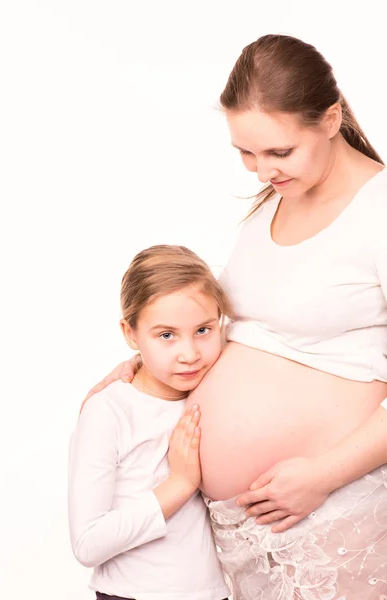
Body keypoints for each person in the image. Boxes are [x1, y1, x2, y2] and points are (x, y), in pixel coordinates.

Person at [80, 34, 387, 599]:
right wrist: (145, 367)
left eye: (278, 152)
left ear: (331, 118)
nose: (261, 170)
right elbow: (245, 324)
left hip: (331, 505)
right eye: (246, 152)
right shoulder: (277, 198)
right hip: (239, 527)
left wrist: (325, 475)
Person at [68, 245, 231, 600]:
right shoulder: (109, 411)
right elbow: (87, 543)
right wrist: (180, 484)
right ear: (130, 333)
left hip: (211, 592)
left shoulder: (211, 384)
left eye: (203, 330)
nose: (189, 354)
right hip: (133, 594)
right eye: (166, 335)